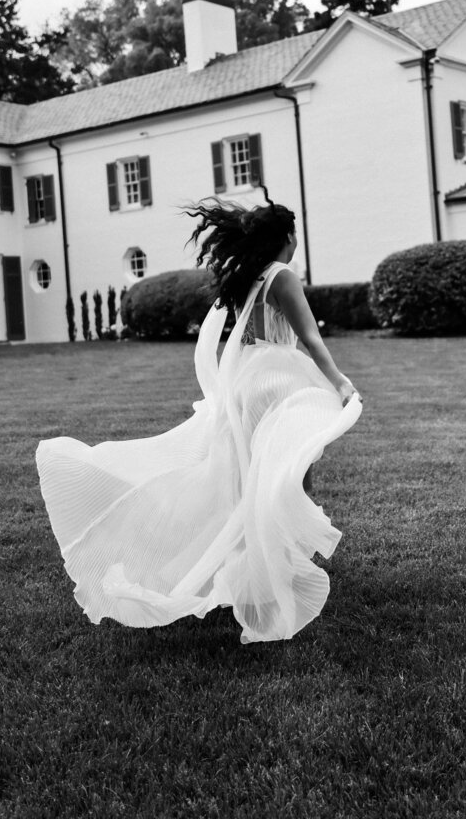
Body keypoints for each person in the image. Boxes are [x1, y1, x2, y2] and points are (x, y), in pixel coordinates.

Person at [36, 195, 362, 643]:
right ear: (287, 237)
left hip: (249, 382)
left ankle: (267, 562)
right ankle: (276, 568)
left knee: (255, 477)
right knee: (288, 475)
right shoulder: (283, 276)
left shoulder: (249, 277)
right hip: (280, 382)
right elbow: (309, 338)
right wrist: (342, 384)